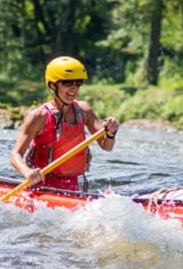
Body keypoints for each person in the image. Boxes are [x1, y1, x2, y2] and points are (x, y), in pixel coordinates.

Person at [10, 56, 119, 192]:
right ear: (53, 85)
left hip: (75, 186)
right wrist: (27, 172)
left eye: (78, 84)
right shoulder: (38, 116)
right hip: (42, 187)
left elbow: (106, 146)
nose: (74, 89)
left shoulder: (84, 110)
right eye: (67, 83)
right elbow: (15, 155)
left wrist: (111, 133)